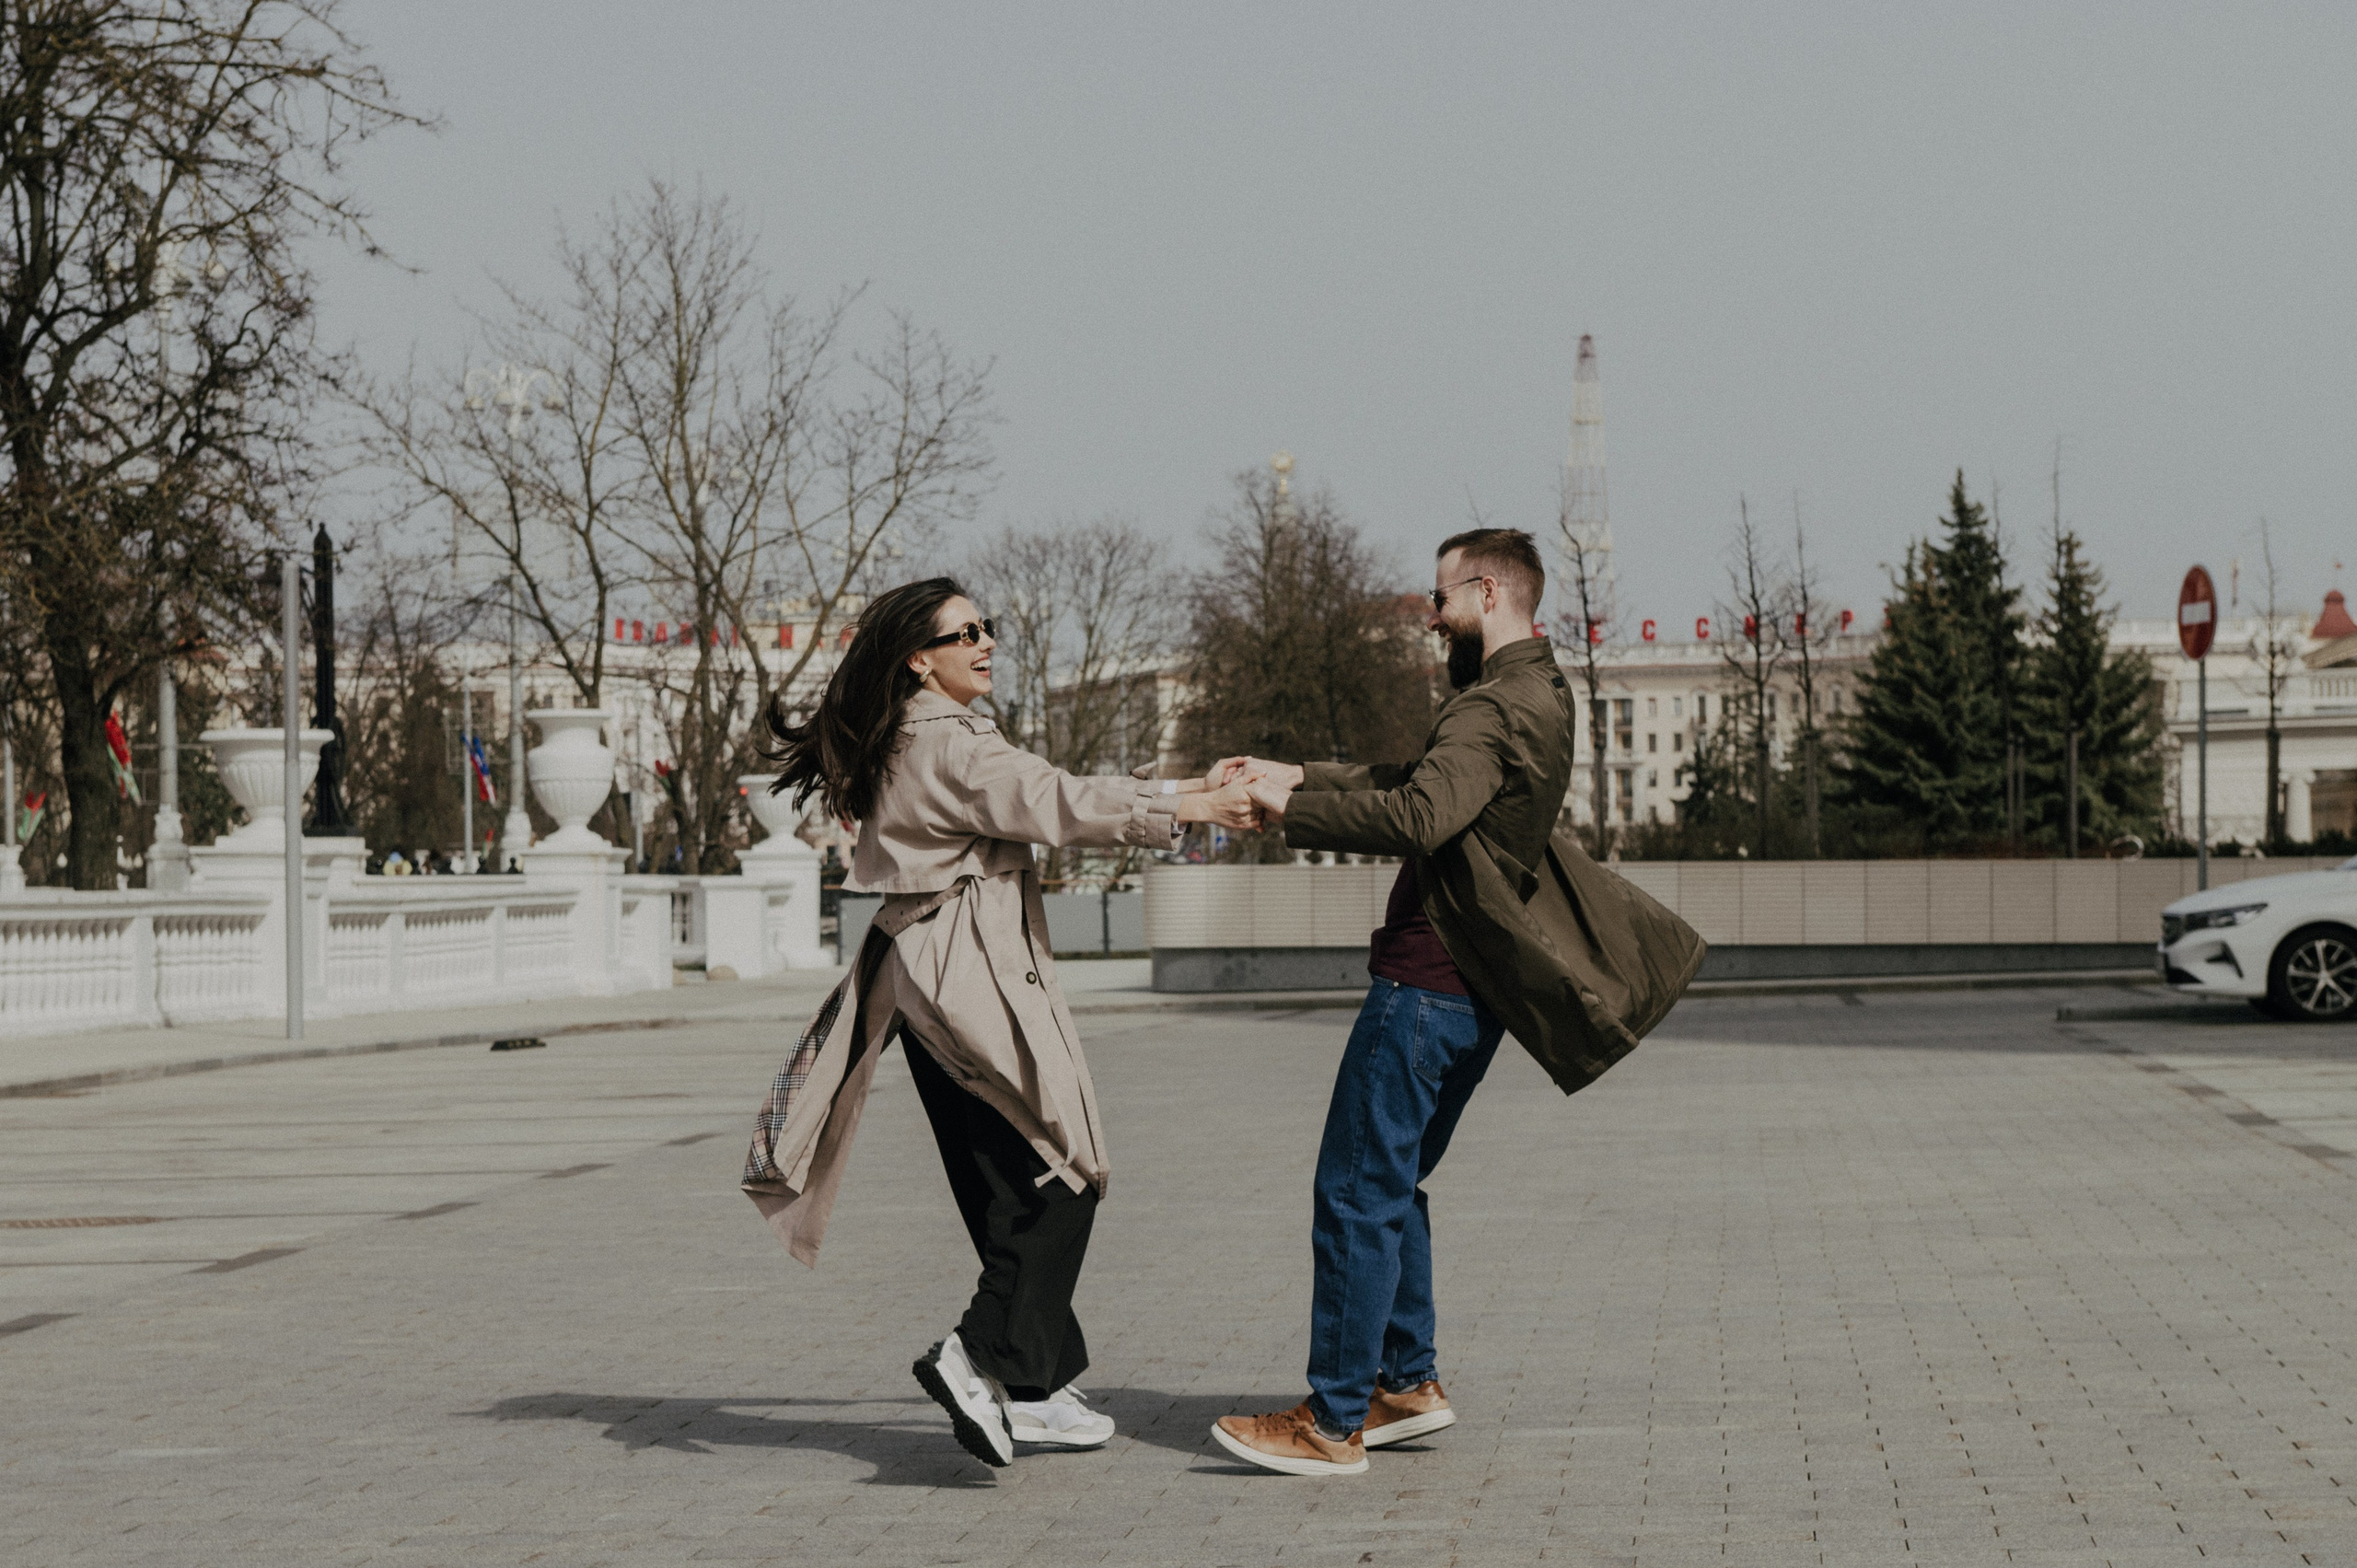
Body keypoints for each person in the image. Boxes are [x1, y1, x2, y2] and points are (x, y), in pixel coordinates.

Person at [1210, 528, 1704, 1477]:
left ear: (1484, 592)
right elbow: (1419, 783)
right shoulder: (1540, 692)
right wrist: (1299, 773)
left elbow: (1416, 816)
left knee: (1355, 1190)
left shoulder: (1488, 705)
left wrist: (1281, 812)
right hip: (1469, 991)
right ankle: (1406, 1381)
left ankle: (1332, 1419)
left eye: (1439, 600)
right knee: (1390, 1185)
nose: (1430, 617)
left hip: (1422, 987)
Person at [742, 576, 1260, 1469]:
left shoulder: (923, 731)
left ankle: (1034, 1385)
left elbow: (1042, 787)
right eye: (963, 633)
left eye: (989, 626)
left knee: (1003, 1181)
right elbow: (1052, 801)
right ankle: (979, 1353)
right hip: (959, 974)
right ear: (917, 656)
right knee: (1065, 1168)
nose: (984, 643)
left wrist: (1182, 787)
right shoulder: (943, 737)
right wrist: (1191, 806)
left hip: (926, 969)